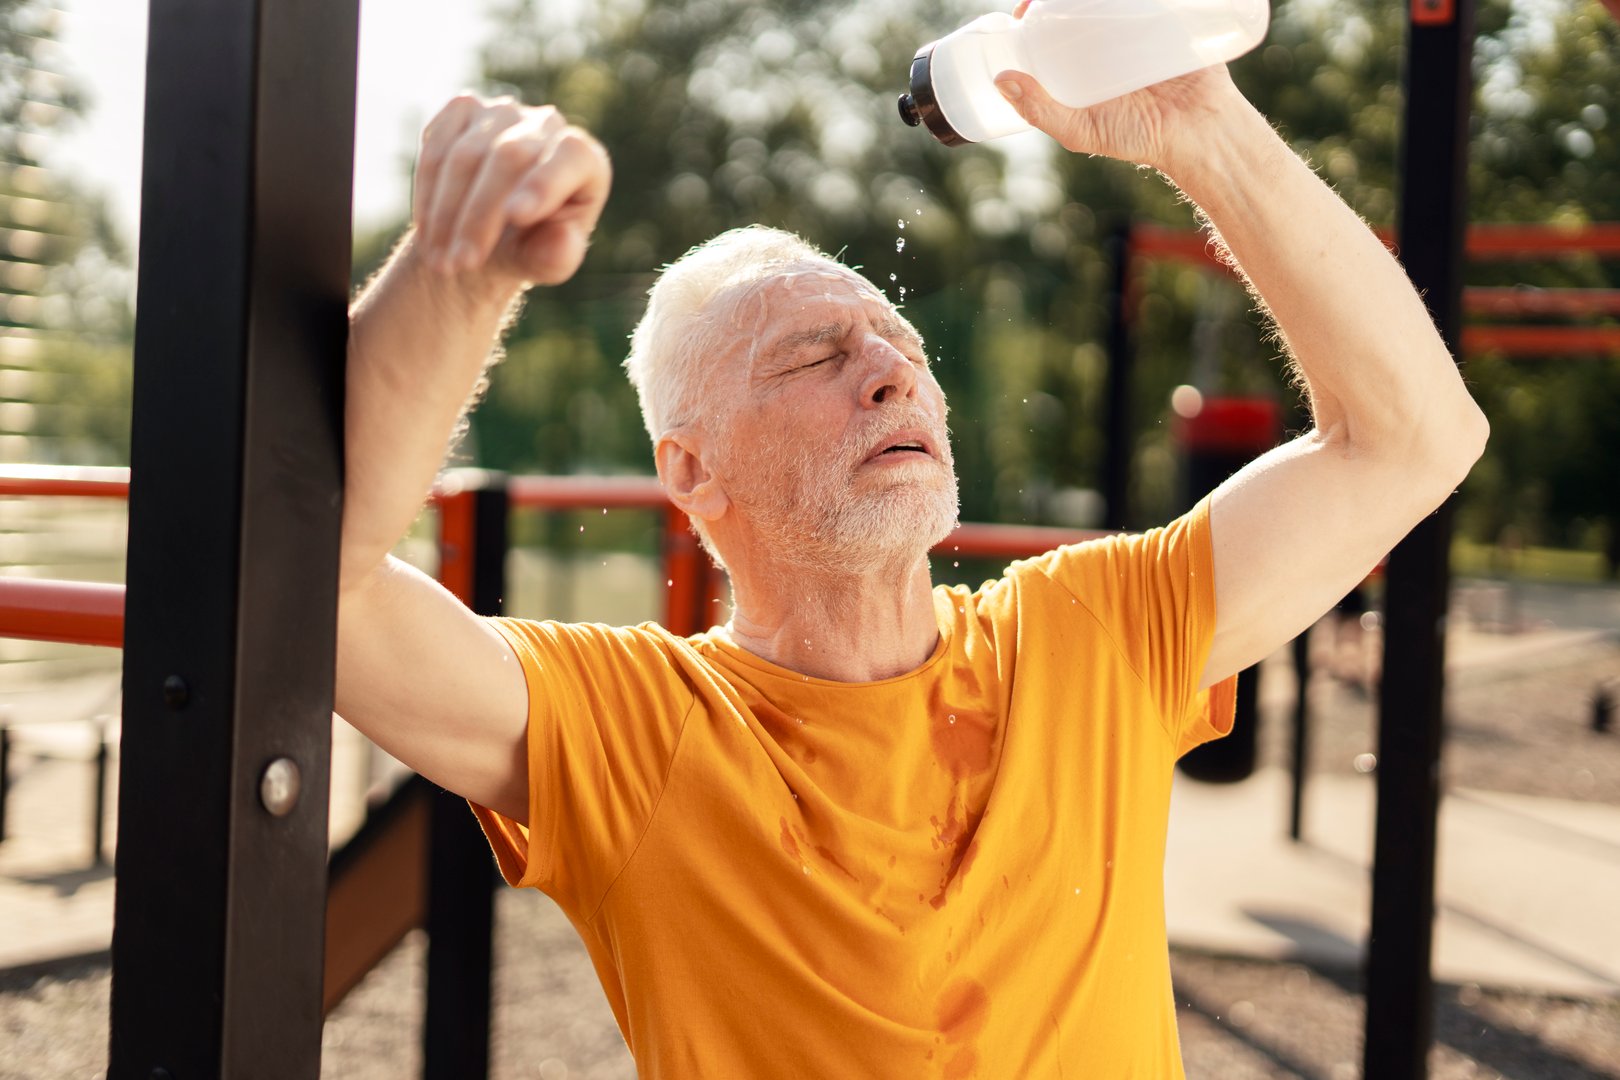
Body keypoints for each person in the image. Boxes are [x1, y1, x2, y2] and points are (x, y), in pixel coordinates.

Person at [333, 10, 1488, 1076]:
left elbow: (1414, 440)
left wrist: (1200, 124)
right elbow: (321, 595)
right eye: (812, 357)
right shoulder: (640, 729)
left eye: (902, 348)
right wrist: (461, 272)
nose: (891, 373)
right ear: (691, 472)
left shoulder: (1088, 632)